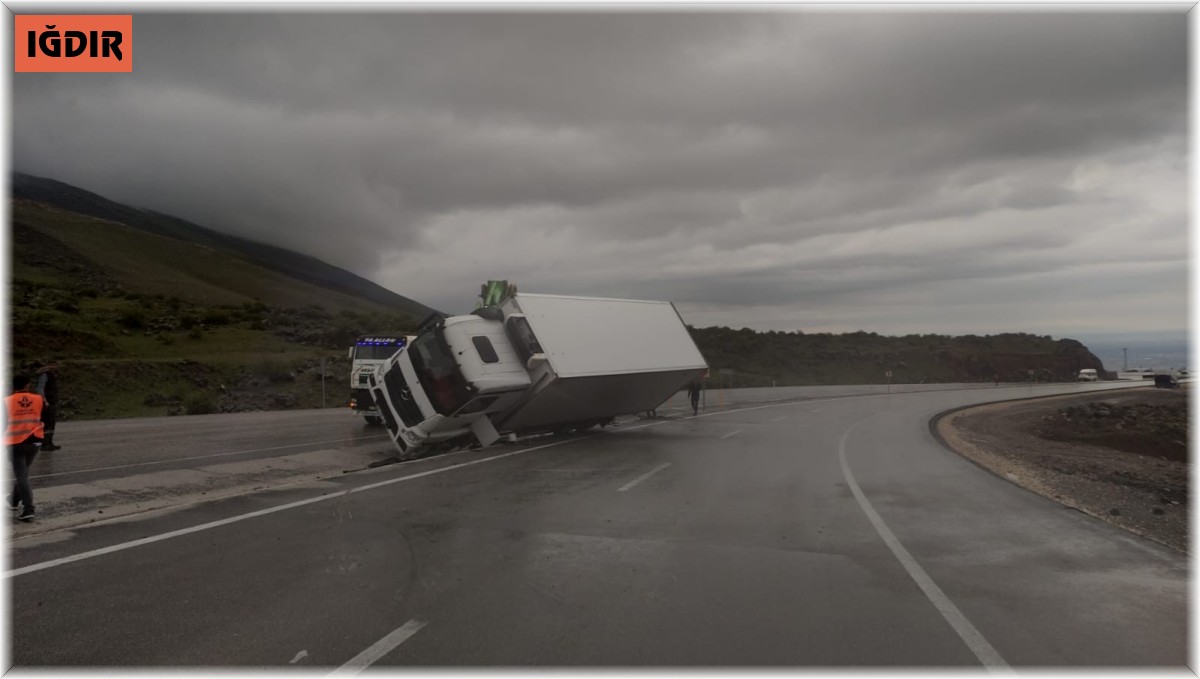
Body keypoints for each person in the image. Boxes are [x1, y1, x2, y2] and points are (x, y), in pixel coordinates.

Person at [6, 375, 46, 521]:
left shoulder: (7, 402)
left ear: (13, 386)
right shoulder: (38, 399)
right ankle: (14, 500)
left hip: (15, 442)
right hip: (34, 442)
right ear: (28, 385)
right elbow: (46, 416)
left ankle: (28, 509)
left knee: (22, 475)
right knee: (23, 472)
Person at [34, 360, 60, 451]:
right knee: (47, 423)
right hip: (47, 403)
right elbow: (40, 390)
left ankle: (49, 442)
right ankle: (45, 444)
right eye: (53, 365)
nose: (55, 367)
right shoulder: (44, 375)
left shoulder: (52, 375)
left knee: (51, 423)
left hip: (52, 402)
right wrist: (45, 401)